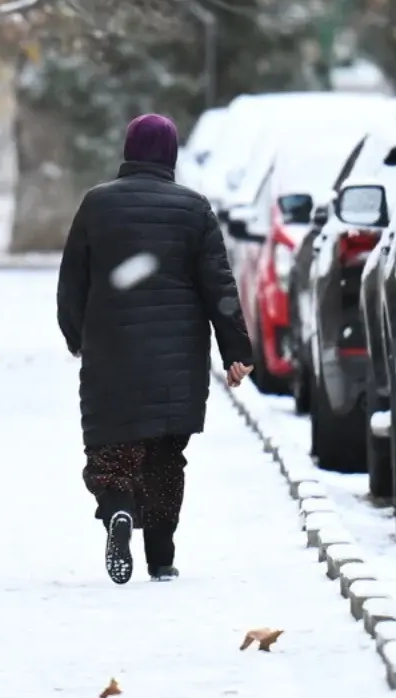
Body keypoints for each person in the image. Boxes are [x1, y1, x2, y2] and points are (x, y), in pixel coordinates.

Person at [56, 113, 254, 585]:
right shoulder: (194, 209)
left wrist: (75, 336)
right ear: (171, 155)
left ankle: (119, 508)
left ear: (128, 151)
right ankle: (161, 558)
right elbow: (218, 286)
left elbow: (72, 282)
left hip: (111, 353)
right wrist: (236, 351)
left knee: (112, 448)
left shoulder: (96, 205)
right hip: (177, 359)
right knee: (167, 456)